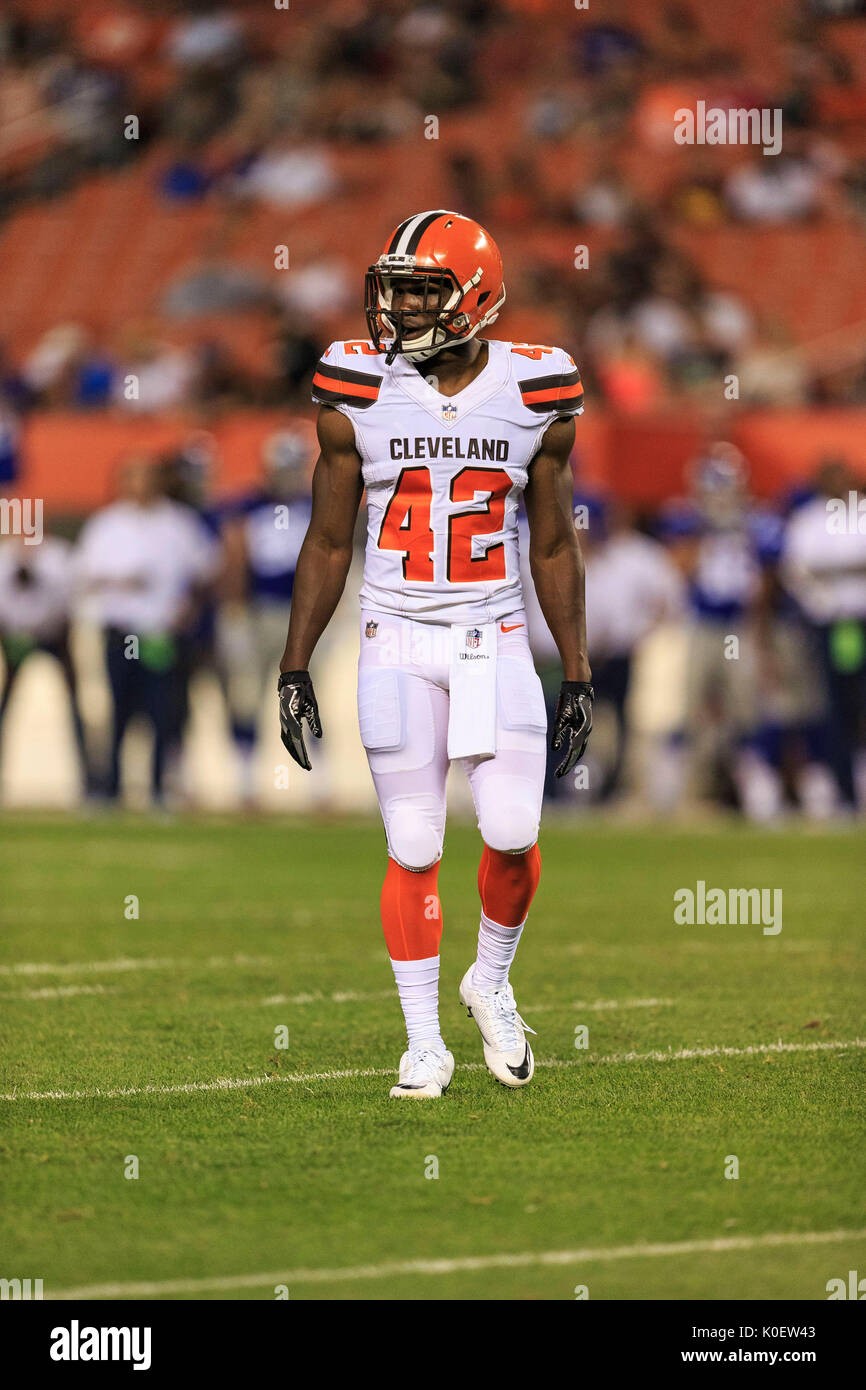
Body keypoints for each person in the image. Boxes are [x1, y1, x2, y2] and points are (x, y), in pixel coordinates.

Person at [276, 211, 592, 1099]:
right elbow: (330, 540)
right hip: (396, 640)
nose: (402, 307)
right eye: (397, 288)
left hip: (493, 640)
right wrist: (295, 662)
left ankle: (489, 982)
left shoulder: (539, 388)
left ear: (476, 297)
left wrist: (577, 668)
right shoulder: (354, 383)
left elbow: (557, 544)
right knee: (413, 842)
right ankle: (422, 1043)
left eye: (423, 290)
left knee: (514, 832)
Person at [75, 455, 219, 806]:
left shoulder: (179, 523)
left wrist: (189, 609)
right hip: (123, 633)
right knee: (119, 709)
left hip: (161, 634)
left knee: (163, 711)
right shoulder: (106, 524)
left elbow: (207, 569)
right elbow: (83, 574)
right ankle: (109, 789)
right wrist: (122, 581)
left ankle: (158, 790)